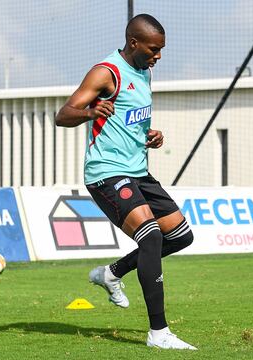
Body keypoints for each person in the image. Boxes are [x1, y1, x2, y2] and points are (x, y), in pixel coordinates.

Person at [55, 14, 196, 350]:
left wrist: (148, 135)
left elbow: (129, 120)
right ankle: (159, 333)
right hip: (106, 172)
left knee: (180, 236)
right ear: (134, 43)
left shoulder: (144, 71)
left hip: (137, 171)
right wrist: (90, 112)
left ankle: (111, 273)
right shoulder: (107, 72)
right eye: (153, 49)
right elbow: (63, 114)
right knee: (150, 237)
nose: (158, 56)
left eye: (161, 49)